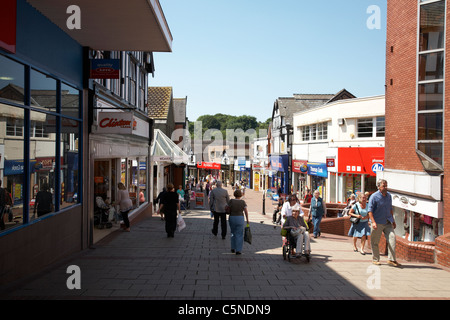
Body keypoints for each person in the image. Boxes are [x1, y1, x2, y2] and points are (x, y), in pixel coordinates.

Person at [368, 179, 400, 267]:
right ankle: (375, 259)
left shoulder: (389, 196)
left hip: (388, 221)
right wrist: (373, 222)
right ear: (379, 187)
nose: (386, 187)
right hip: (377, 222)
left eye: (386, 185)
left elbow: (390, 209)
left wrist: (393, 221)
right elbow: (370, 211)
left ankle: (391, 259)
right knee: (375, 241)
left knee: (392, 238)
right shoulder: (374, 197)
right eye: (384, 186)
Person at [227, 189, 249, 255]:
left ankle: (233, 247)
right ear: (241, 195)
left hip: (232, 217)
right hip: (240, 218)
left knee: (233, 232)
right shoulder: (243, 202)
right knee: (239, 234)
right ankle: (238, 250)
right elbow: (245, 211)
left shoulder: (231, 201)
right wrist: (247, 219)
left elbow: (228, 208)